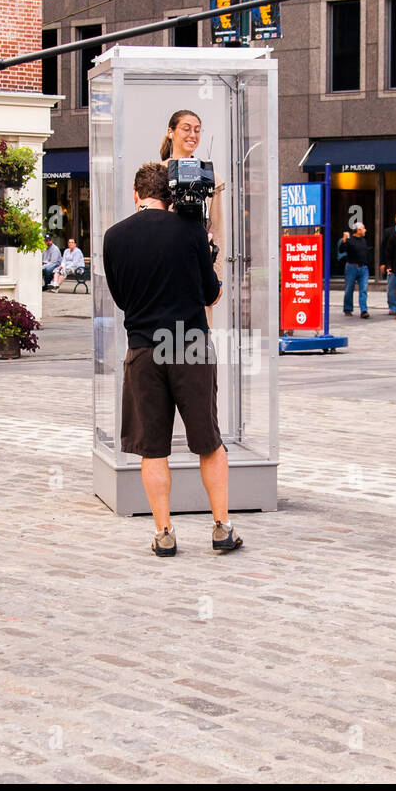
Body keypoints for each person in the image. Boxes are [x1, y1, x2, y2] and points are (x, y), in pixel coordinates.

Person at [101, 162, 242, 557]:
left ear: (136, 195)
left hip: (144, 347)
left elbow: (121, 298)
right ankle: (221, 528)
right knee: (209, 441)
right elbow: (210, 295)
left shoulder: (114, 237)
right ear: (170, 195)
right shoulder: (190, 230)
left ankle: (164, 533)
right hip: (190, 343)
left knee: (154, 448)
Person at [160, 109, 225, 326]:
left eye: (197, 130)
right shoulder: (157, 173)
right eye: (186, 128)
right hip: (164, 267)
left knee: (197, 345)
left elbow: (218, 229)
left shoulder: (209, 176)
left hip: (198, 267)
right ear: (171, 132)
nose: (192, 135)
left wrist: (217, 277)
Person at [340, 223, 370, 318]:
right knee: (349, 288)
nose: (365, 230)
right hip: (351, 267)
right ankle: (348, 308)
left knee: (363, 289)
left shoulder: (364, 240)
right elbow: (341, 250)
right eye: (363, 228)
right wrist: (344, 240)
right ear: (358, 230)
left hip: (363, 268)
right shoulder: (350, 240)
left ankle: (364, 310)